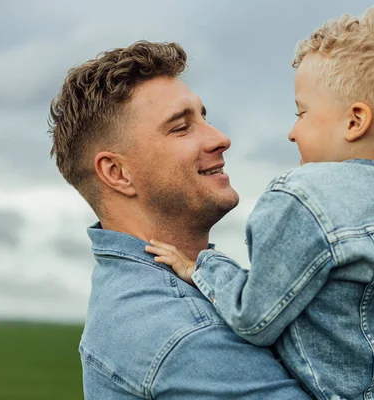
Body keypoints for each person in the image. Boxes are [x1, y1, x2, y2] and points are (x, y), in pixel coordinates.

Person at [145, 7, 374, 400]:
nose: (292, 132)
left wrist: (201, 265)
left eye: (301, 112)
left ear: (355, 121)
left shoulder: (301, 197)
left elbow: (253, 318)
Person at [48, 41, 313, 399]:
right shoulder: (183, 334)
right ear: (117, 173)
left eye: (204, 116)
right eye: (180, 127)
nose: (221, 138)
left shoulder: (132, 300)